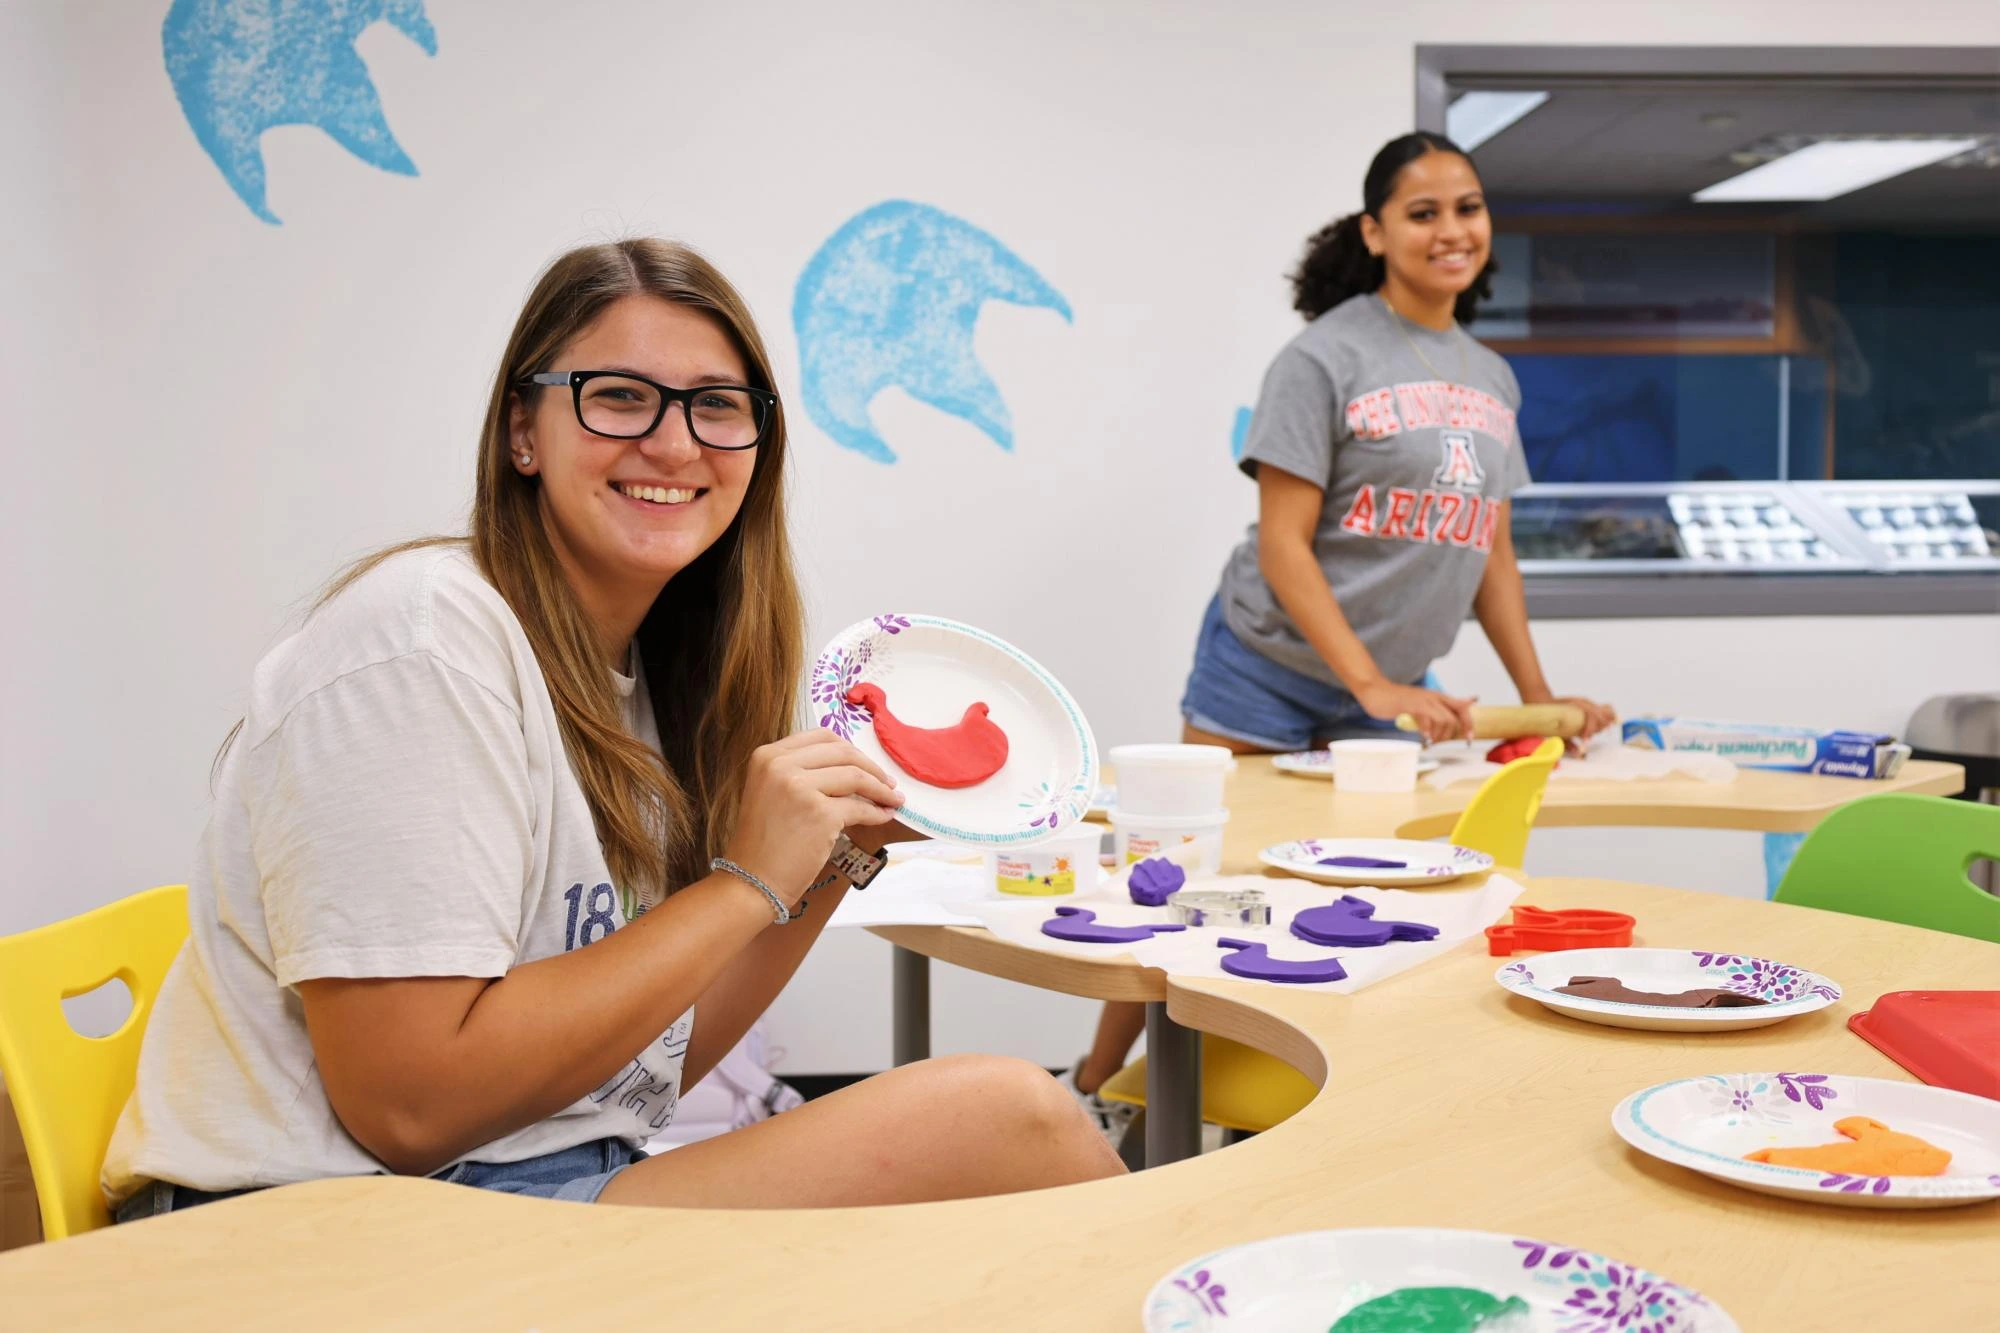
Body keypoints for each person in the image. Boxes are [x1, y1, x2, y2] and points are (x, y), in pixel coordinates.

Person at [105, 239, 1124, 1217]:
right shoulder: (422, 644)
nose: (675, 442)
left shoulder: (644, 678)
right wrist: (744, 883)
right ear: (522, 432)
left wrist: (833, 859)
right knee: (1013, 1116)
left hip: (521, 1183)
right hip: (308, 1232)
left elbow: (648, 1072)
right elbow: (410, 1111)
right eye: (620, 396)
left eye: (716, 407)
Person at [1065, 134, 1615, 1130]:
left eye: (1467, 208)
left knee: (1348, 898)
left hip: (1386, 683)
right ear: (1374, 232)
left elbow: (1487, 551)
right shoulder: (1322, 356)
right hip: (1267, 667)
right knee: (1180, 882)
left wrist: (1543, 700)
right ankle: (1095, 1089)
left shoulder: (1491, 378)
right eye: (1422, 212)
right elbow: (1282, 544)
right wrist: (1368, 688)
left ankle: (1284, 1103)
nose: (1451, 230)